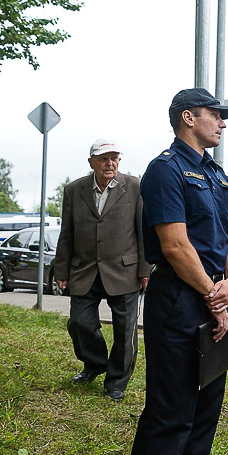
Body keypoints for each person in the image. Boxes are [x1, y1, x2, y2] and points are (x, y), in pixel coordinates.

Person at [127, 88, 228, 455]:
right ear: (188, 117)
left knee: (205, 409)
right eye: (217, 115)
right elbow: (174, 245)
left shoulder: (216, 173)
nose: (223, 122)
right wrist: (212, 296)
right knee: (170, 414)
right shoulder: (164, 171)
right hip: (178, 299)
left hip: (214, 293)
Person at [54, 139, 150, 401]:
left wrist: (145, 269)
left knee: (125, 331)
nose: (110, 163)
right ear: (91, 162)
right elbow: (67, 233)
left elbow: (144, 231)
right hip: (84, 270)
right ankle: (95, 364)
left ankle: (116, 382)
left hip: (124, 271)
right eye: (103, 158)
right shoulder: (74, 190)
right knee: (79, 323)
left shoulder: (135, 187)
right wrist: (61, 271)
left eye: (114, 158)